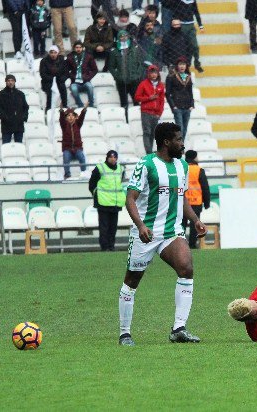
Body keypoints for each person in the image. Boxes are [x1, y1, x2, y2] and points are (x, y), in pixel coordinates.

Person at [120, 122, 207, 346]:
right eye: (178, 139)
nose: (182, 143)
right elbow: (130, 198)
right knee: (131, 281)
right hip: (146, 233)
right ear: (166, 142)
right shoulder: (146, 164)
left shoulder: (183, 166)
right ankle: (124, 333)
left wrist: (195, 220)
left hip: (171, 231)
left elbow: (182, 197)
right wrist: (140, 226)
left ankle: (179, 328)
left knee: (186, 269)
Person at [89, 150, 125, 251]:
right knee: (104, 227)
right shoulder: (100, 168)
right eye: (111, 157)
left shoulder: (121, 169)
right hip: (103, 202)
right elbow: (92, 184)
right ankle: (104, 247)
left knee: (113, 227)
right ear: (107, 158)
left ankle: (111, 246)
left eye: (115, 157)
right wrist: (96, 195)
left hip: (115, 202)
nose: (113, 159)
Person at [107, 30, 143, 109]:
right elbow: (111, 67)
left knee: (136, 101)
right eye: (121, 36)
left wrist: (137, 76)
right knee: (124, 104)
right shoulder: (114, 52)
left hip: (134, 81)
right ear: (118, 38)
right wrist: (117, 76)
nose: (123, 38)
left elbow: (140, 64)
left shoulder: (135, 50)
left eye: (125, 36)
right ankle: (126, 119)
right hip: (121, 82)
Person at [135, 65, 165, 154]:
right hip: (146, 112)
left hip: (155, 113)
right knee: (147, 132)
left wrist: (159, 113)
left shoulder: (161, 85)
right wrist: (149, 98)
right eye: (152, 73)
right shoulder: (143, 84)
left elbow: (162, 101)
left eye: (155, 72)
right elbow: (137, 97)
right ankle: (148, 152)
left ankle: (150, 151)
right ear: (148, 74)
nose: (153, 75)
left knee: (153, 133)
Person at [167, 0, 205, 72]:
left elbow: (196, 12)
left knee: (195, 46)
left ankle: (197, 63)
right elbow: (172, 9)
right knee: (183, 47)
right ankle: (183, 66)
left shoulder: (192, 1)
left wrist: (200, 26)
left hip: (190, 25)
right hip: (181, 26)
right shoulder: (177, 1)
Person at [183, 150, 211, 249]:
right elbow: (205, 187)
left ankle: (181, 245)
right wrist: (207, 203)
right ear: (194, 158)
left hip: (182, 203)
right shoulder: (199, 170)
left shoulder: (182, 169)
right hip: (196, 202)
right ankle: (192, 245)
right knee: (195, 225)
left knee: (181, 224)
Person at [0, 74, 29, 144]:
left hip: (19, 124)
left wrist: (23, 117)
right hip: (6, 125)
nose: (10, 82)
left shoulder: (20, 94)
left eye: (12, 80)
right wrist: (4, 118)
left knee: (19, 146)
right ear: (6, 82)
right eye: (8, 81)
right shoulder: (0, 95)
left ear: (15, 82)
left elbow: (25, 107)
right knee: (6, 146)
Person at [166, 57, 195, 139]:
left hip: (187, 106)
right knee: (180, 129)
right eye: (180, 64)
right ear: (177, 66)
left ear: (186, 66)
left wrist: (192, 104)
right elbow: (167, 93)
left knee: (185, 129)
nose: (182, 66)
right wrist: (173, 106)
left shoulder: (188, 77)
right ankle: (179, 148)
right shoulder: (171, 77)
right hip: (177, 106)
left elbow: (190, 92)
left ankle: (180, 147)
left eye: (184, 64)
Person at [59, 104, 88, 179]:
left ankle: (84, 172)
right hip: (67, 149)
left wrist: (84, 110)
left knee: (82, 157)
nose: (71, 117)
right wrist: (61, 111)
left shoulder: (78, 124)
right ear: (66, 118)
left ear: (75, 117)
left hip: (77, 148)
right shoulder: (64, 126)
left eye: (72, 115)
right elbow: (61, 119)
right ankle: (67, 174)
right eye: (68, 115)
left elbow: (82, 117)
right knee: (66, 157)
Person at [67, 41, 98, 108]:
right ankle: (80, 105)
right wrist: (73, 76)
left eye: (80, 47)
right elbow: (66, 70)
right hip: (75, 81)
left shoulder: (88, 56)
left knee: (90, 87)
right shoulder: (70, 57)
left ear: (83, 48)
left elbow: (95, 70)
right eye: (77, 47)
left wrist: (88, 77)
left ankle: (91, 105)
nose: (78, 49)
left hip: (85, 81)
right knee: (73, 88)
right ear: (74, 48)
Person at [39, 45, 69, 111]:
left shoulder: (62, 61)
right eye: (51, 52)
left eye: (55, 52)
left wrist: (61, 79)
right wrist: (52, 79)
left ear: (57, 53)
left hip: (59, 80)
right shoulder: (44, 61)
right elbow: (42, 74)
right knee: (49, 89)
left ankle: (64, 106)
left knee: (62, 87)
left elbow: (66, 73)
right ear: (49, 53)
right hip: (48, 81)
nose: (53, 54)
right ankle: (48, 107)